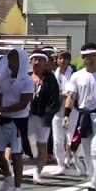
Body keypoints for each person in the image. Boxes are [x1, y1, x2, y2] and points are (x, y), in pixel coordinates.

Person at [62, 43, 96, 191]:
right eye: (87, 56)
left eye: (93, 55)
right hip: (84, 115)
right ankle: (91, 176)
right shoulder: (77, 76)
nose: (90, 59)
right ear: (83, 58)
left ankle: (94, 179)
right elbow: (71, 96)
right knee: (86, 150)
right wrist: (66, 115)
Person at [0, 48, 33, 191]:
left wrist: (0, 109)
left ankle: (18, 189)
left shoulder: (27, 81)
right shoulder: (3, 79)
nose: (11, 62)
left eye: (14, 59)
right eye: (10, 59)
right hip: (3, 119)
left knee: (16, 155)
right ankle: (7, 179)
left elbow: (23, 104)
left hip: (18, 121)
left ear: (22, 61)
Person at [26, 50, 61, 184]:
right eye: (34, 59)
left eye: (40, 60)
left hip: (43, 116)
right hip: (27, 115)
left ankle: (37, 172)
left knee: (41, 145)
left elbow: (54, 100)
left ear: (45, 63)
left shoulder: (50, 79)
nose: (36, 62)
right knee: (30, 144)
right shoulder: (26, 77)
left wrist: (48, 114)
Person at [46, 49, 76, 175]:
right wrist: (60, 94)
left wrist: (69, 94)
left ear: (69, 60)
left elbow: (75, 91)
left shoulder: (74, 74)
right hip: (57, 109)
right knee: (57, 139)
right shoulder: (53, 75)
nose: (62, 61)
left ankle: (71, 159)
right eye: (60, 58)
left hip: (72, 109)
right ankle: (60, 164)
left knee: (71, 137)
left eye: (65, 58)